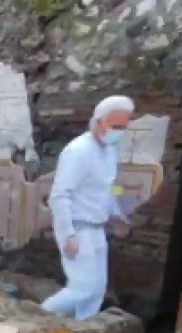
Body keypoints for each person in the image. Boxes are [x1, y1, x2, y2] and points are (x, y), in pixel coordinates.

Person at [41, 95, 134, 321]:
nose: (120, 132)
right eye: (116, 126)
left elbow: (108, 189)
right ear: (99, 121)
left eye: (124, 126)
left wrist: (117, 214)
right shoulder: (78, 151)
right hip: (78, 228)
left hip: (97, 228)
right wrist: (68, 235)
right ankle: (36, 317)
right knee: (82, 288)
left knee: (96, 291)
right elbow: (59, 196)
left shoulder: (109, 151)